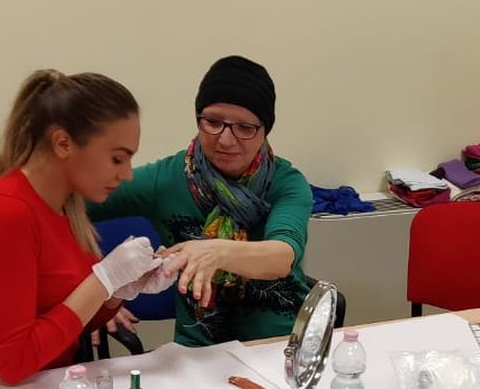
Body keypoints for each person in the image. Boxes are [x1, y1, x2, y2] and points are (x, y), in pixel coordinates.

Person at [0, 70, 173, 385]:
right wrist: (103, 280)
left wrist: (119, 291)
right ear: (63, 143)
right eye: (117, 159)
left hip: (47, 384)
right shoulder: (5, 213)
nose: (127, 175)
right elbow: (13, 363)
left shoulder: (66, 206)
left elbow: (69, 323)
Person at [89, 55, 313, 346]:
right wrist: (97, 296)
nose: (226, 140)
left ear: (265, 130)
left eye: (245, 128)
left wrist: (216, 252)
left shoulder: (286, 183)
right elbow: (63, 208)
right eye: (213, 122)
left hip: (277, 344)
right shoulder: (165, 179)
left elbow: (282, 256)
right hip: (198, 351)